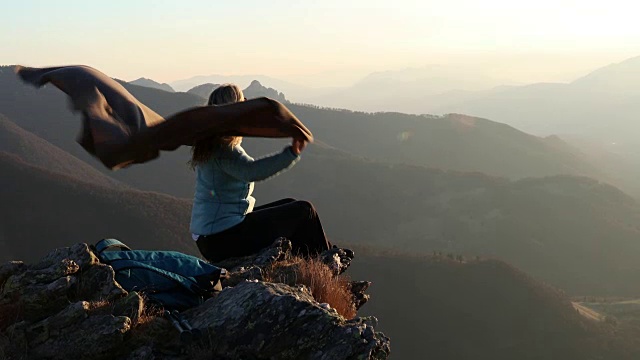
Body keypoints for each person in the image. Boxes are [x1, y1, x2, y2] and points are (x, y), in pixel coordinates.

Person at [189, 84, 332, 263]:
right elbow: (252, 171)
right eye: (242, 102)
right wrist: (291, 153)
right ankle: (324, 264)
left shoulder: (212, 143)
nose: (247, 104)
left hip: (213, 235)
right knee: (304, 210)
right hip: (221, 238)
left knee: (290, 205)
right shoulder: (223, 151)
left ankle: (314, 259)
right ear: (234, 109)